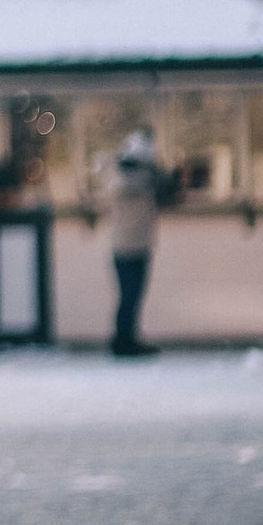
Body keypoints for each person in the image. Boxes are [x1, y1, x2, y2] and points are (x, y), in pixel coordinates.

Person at [109, 127, 162, 356]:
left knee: (132, 297)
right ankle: (123, 340)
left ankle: (128, 337)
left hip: (138, 244)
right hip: (126, 247)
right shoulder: (124, 181)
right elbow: (132, 186)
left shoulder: (139, 179)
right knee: (128, 297)